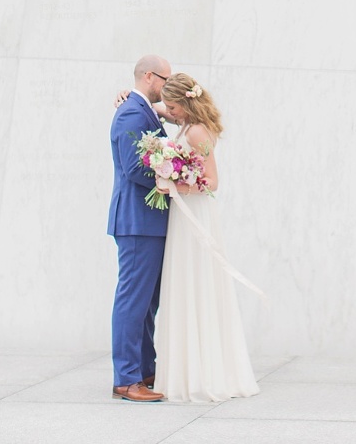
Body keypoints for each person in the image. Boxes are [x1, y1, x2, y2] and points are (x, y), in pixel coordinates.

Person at [154, 73, 260, 403]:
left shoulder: (197, 131)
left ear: (185, 104)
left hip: (195, 214)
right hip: (184, 213)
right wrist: (130, 97)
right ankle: (187, 371)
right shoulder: (186, 124)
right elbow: (156, 106)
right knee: (185, 283)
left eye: (172, 107)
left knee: (195, 283)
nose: (168, 112)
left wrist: (173, 185)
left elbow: (212, 182)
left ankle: (202, 375)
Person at [108, 54, 172, 403]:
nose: (168, 86)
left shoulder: (143, 110)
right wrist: (172, 176)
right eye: (166, 79)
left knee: (148, 302)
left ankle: (145, 370)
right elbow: (136, 168)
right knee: (133, 301)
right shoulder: (132, 112)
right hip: (137, 222)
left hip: (150, 223)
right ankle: (127, 378)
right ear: (150, 76)